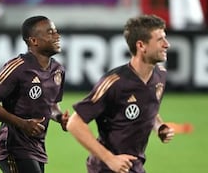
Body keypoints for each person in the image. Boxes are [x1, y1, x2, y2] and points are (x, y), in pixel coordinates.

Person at [66, 14, 175, 173]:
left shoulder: (160, 76)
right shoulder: (115, 82)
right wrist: (110, 159)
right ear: (141, 46)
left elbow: (148, 106)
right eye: (160, 40)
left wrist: (159, 126)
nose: (167, 44)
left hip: (134, 166)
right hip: (106, 168)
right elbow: (74, 123)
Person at [0, 15, 69, 173]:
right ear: (34, 41)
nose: (57, 36)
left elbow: (52, 104)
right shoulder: (18, 67)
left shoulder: (58, 70)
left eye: (56, 31)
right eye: (50, 32)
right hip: (14, 147)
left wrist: (60, 117)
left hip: (37, 148)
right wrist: (22, 124)